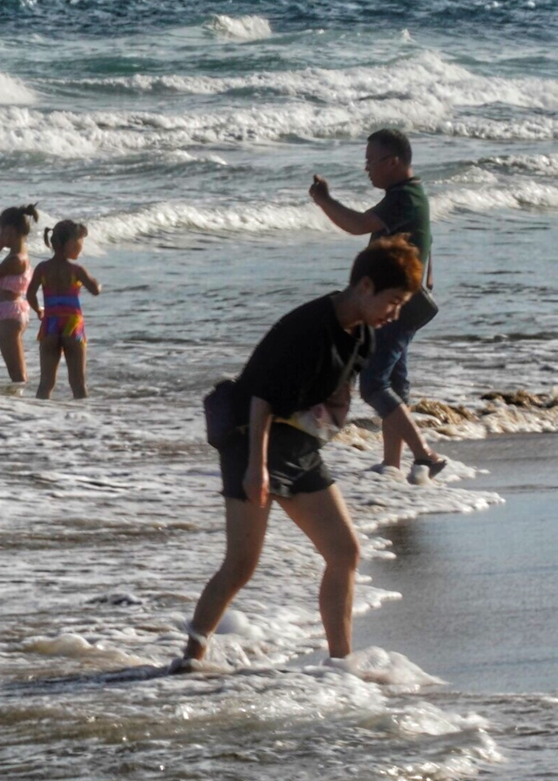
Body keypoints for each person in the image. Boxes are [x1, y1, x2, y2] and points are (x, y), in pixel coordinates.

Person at [178, 236, 424, 668]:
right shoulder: (308, 328)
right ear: (365, 286)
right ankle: (192, 657)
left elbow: (344, 397)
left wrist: (413, 441)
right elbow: (261, 401)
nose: (396, 314)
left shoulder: (363, 333)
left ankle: (340, 664)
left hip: (297, 446)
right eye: (394, 301)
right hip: (252, 440)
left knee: (345, 552)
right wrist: (256, 469)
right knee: (241, 564)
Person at [310, 128, 446, 480]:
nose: (366, 168)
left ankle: (424, 454)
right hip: (405, 303)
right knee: (394, 384)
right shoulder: (413, 195)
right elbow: (425, 240)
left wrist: (324, 199)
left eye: (371, 160)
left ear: (393, 161)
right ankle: (392, 464)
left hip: (394, 305)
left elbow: (357, 225)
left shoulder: (403, 197)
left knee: (373, 384)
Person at [28, 219, 102, 399]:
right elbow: (95, 290)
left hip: (50, 324)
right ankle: (83, 419)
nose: (82, 246)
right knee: (78, 383)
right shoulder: (76, 269)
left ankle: (35, 420)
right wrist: (98, 284)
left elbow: (30, 294)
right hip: (72, 325)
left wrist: (38, 310)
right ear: (69, 244)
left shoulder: (43, 268)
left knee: (46, 383)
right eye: (80, 242)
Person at [0, 204, 36, 385]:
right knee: (15, 370)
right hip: (12, 313)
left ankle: (21, 406)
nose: (0, 234)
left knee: (17, 373)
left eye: (1, 230)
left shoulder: (15, 259)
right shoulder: (19, 255)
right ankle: (20, 404)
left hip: (10, 316)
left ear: (9, 230)